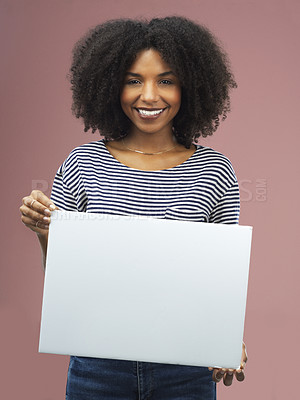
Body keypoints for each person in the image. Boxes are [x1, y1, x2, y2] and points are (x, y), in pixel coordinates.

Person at [20, 16, 248, 400]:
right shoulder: (82, 165)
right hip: (98, 368)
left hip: (187, 371)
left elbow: (222, 282)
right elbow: (65, 284)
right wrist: (46, 232)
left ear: (188, 86)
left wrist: (227, 341)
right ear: (111, 85)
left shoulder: (215, 171)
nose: (149, 95)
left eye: (166, 80)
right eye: (133, 80)